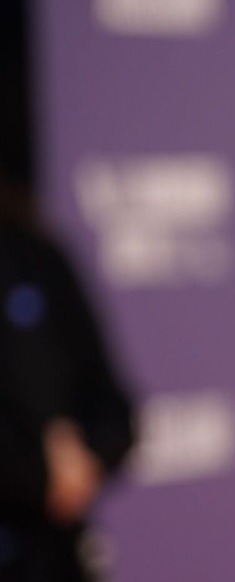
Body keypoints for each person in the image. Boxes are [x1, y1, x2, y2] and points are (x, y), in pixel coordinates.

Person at [0, 179, 137, 581]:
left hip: (54, 552)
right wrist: (39, 469)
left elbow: (113, 406)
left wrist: (80, 457)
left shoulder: (35, 254)